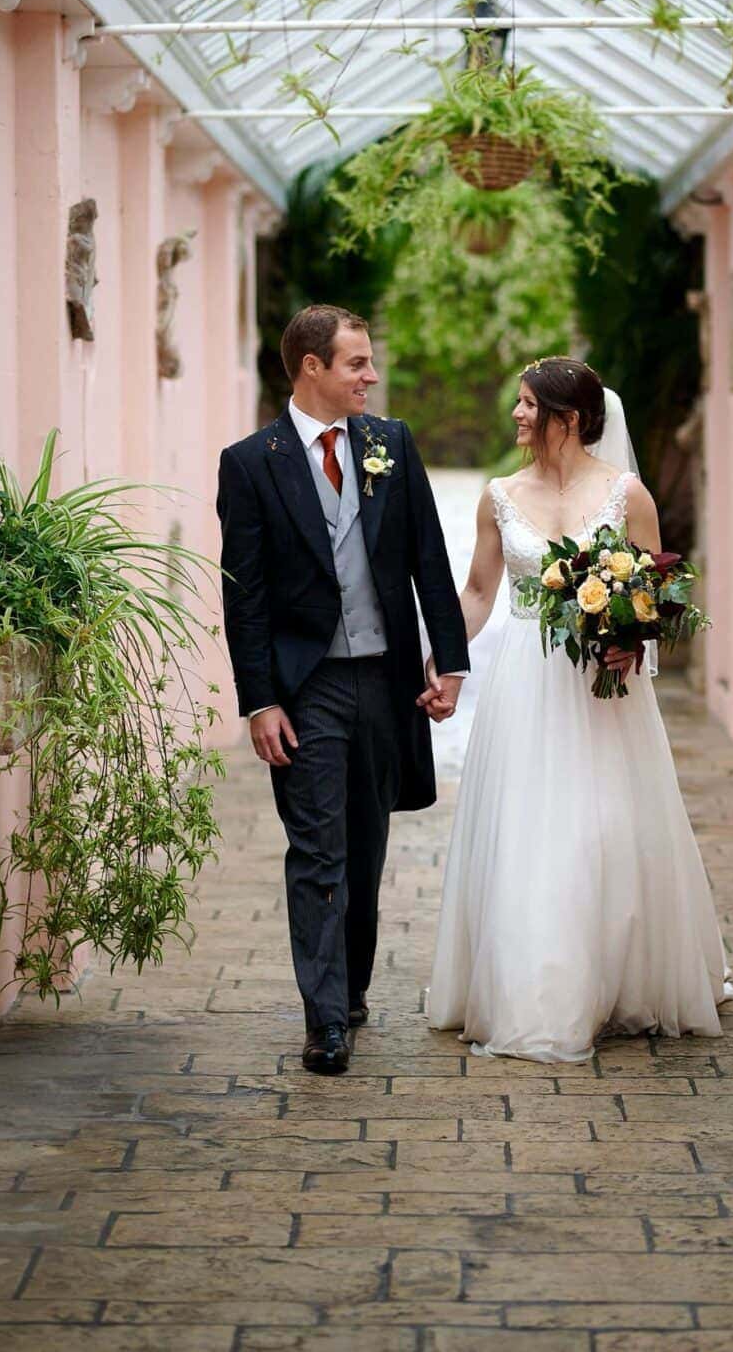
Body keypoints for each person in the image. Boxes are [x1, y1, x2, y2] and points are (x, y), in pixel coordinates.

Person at [425, 356, 733, 1062]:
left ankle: (619, 975)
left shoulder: (627, 495)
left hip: (603, 692)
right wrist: (444, 659)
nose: (517, 415)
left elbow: (658, 590)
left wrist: (633, 640)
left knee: (604, 825)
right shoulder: (499, 495)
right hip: (525, 688)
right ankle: (536, 986)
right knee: (532, 830)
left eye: (530, 404)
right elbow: (477, 591)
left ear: (570, 417)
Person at [215, 303, 469, 1077]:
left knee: (364, 847)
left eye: (370, 361)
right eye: (357, 362)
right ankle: (325, 1020)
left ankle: (349, 988)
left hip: (386, 678)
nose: (372, 374)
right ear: (312, 367)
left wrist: (449, 662)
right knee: (318, 849)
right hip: (309, 683)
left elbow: (427, 553)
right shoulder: (251, 462)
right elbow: (245, 593)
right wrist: (259, 700)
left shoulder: (391, 443)